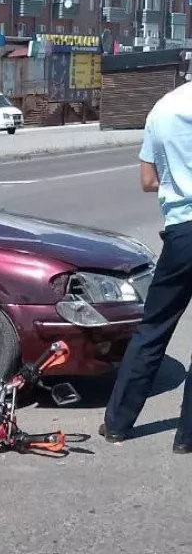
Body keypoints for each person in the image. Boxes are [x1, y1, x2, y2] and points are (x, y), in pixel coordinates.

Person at [101, 79, 192, 453]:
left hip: (181, 233)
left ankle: (118, 423)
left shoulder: (163, 108)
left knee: (153, 327)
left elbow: (147, 180)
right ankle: (186, 438)